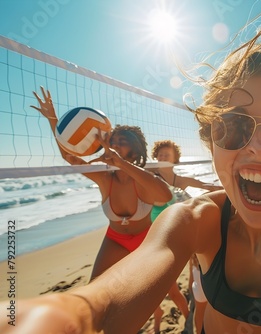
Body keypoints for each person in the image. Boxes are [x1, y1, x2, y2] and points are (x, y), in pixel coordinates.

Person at [2, 5, 261, 334]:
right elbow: (101, 303)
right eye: (234, 126)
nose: (260, 145)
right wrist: (64, 315)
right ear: (210, 142)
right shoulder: (196, 219)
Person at [30, 87, 172, 332]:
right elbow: (72, 159)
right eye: (111, 141)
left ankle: (162, 314)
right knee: (93, 296)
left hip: (144, 243)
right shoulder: (104, 178)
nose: (113, 145)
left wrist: (121, 163)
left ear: (134, 151)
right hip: (115, 240)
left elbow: (165, 194)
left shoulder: (143, 179)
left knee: (144, 300)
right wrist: (54, 121)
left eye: (121, 142)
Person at [150, 139, 221, 333]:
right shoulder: (149, 178)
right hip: (161, 236)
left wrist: (226, 188)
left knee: (194, 269)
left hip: (186, 231)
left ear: (175, 159)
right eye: (160, 155)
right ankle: (161, 317)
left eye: (167, 155)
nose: (162, 157)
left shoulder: (181, 181)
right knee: (162, 283)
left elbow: (205, 185)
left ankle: (193, 296)